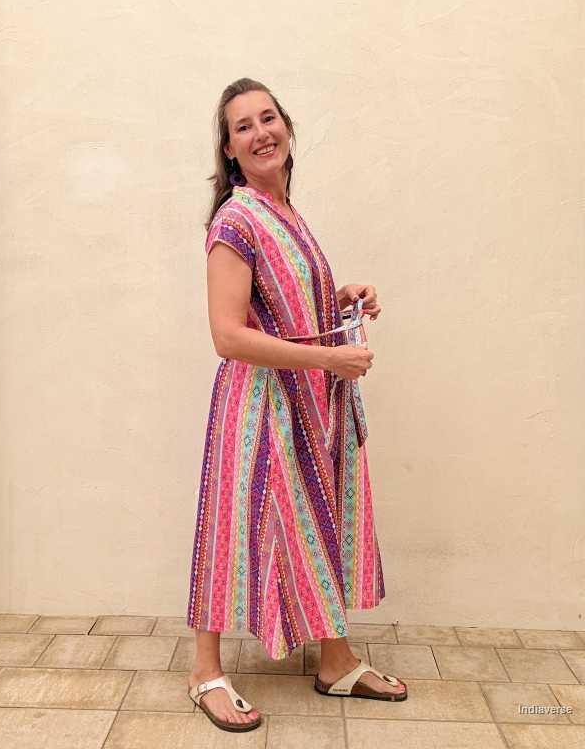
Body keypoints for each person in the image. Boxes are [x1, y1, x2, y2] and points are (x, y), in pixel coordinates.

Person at [186, 78, 407, 732]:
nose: (261, 133)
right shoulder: (236, 217)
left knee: (319, 525)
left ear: (288, 126)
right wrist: (330, 359)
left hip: (304, 404)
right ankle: (204, 672)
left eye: (269, 117)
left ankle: (334, 661)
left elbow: (280, 304)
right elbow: (227, 334)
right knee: (233, 529)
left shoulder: (285, 212)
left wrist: (340, 296)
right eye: (244, 126)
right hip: (258, 408)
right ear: (228, 149)